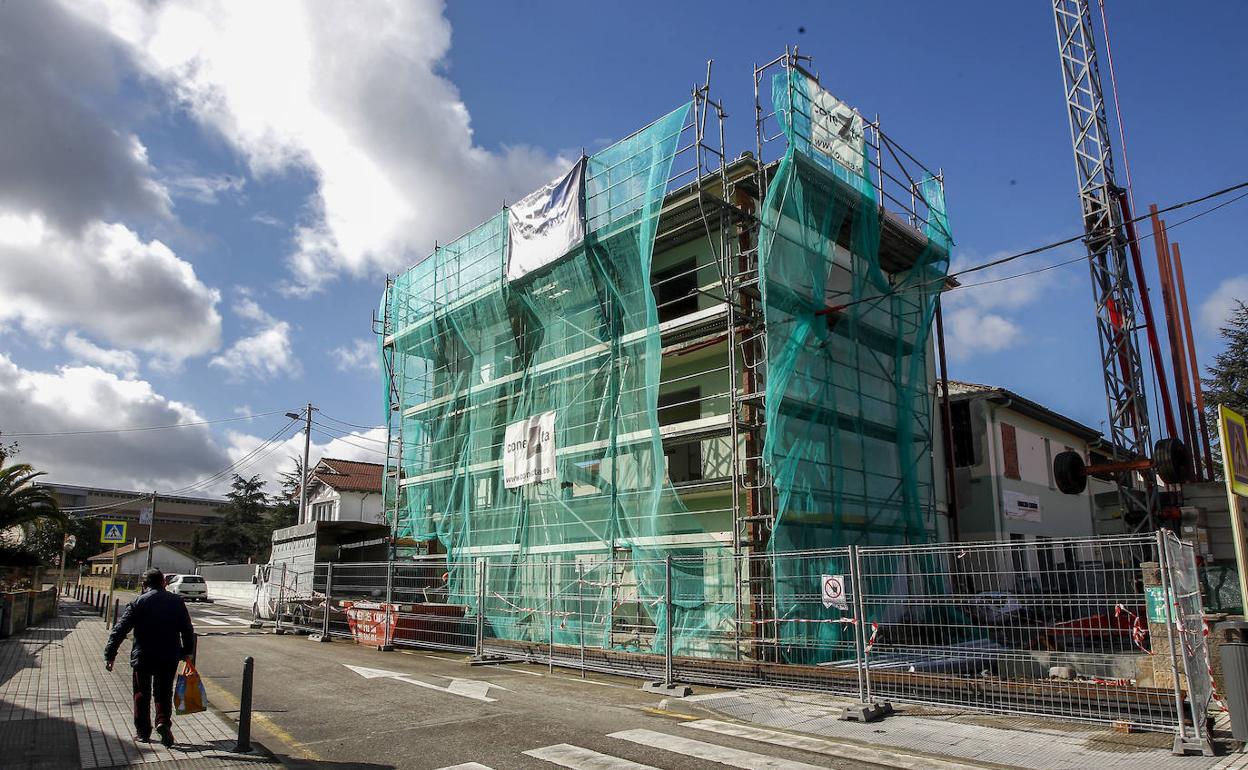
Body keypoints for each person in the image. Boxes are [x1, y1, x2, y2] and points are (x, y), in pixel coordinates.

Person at [104, 568, 197, 746]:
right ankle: (162, 722)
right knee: (163, 692)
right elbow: (187, 629)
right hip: (168, 655)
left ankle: (143, 732)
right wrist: (187, 652)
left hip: (143, 655)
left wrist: (110, 654)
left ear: (144, 585)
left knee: (141, 693)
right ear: (163, 583)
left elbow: (120, 630)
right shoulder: (176, 602)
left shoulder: (139, 602)